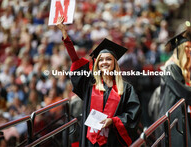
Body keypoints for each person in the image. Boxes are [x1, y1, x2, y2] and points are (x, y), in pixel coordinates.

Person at [56, 16, 141, 147]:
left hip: (113, 141)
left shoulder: (126, 88)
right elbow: (75, 60)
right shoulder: (90, 84)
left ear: (114, 63)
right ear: (97, 63)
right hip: (91, 141)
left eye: (108, 59)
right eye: (101, 60)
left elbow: (133, 114)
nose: (104, 63)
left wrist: (112, 121)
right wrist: (65, 34)